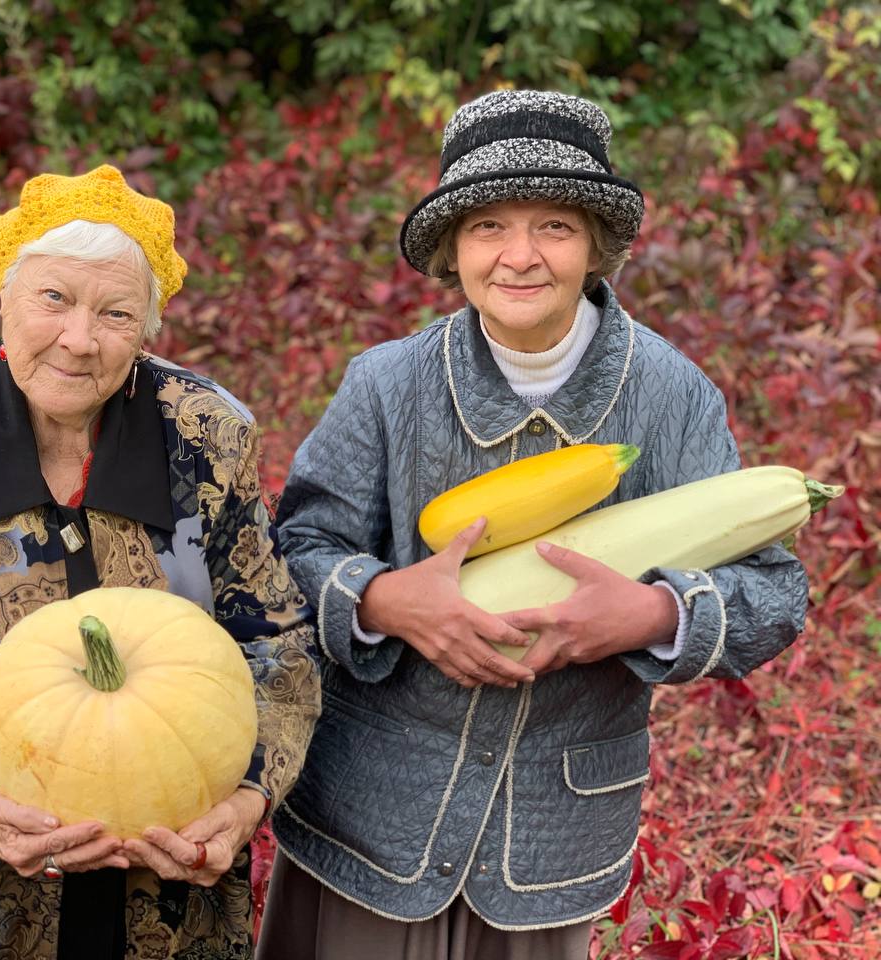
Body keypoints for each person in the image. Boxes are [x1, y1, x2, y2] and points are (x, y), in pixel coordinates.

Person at [256, 90, 807, 959]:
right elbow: (291, 557)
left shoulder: (671, 396)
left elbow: (774, 593)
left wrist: (652, 615)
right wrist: (387, 601)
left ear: (597, 244)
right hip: (369, 818)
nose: (520, 256)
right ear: (452, 247)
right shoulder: (387, 385)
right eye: (487, 228)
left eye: (553, 225)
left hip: (552, 832)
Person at [0, 164, 320, 960]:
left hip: (172, 887)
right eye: (53, 299)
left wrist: (251, 795)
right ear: (5, 297)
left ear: (148, 327)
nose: (79, 339)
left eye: (116, 312)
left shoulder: (206, 434)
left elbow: (279, 644)